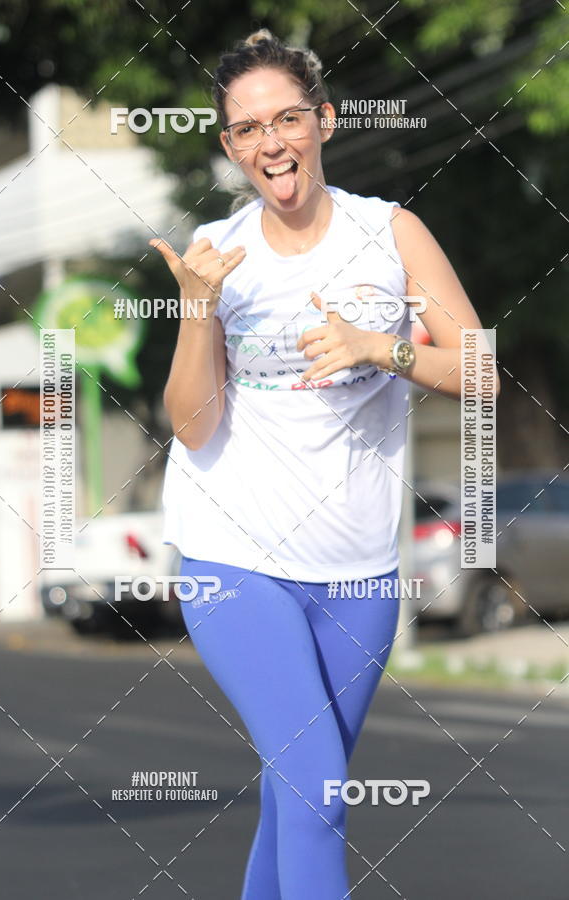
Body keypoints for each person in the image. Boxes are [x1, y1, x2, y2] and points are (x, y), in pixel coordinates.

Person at [150, 29, 499, 900]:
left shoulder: (391, 233)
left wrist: (381, 348)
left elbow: (482, 372)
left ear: (324, 122)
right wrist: (197, 310)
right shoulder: (218, 252)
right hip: (236, 557)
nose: (271, 142)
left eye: (287, 119)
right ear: (231, 147)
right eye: (248, 128)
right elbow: (193, 425)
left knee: (296, 800)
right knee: (318, 791)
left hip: (359, 572)